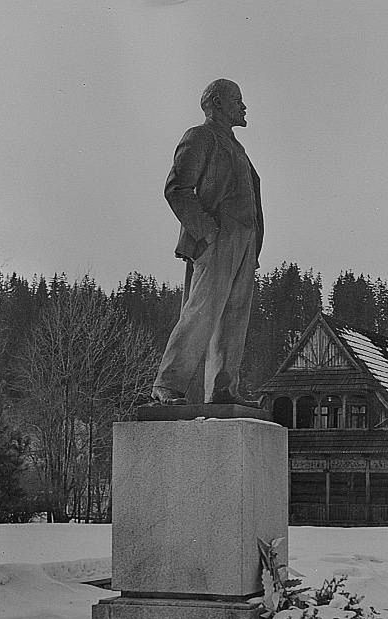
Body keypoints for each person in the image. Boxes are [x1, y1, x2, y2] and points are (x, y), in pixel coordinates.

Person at [151, 79, 263, 405]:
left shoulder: (237, 147)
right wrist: (207, 231)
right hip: (218, 237)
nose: (243, 107)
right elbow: (177, 190)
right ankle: (167, 386)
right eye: (237, 100)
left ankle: (224, 390)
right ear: (216, 103)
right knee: (201, 313)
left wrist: (252, 244)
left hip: (245, 240)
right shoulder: (200, 137)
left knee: (234, 317)